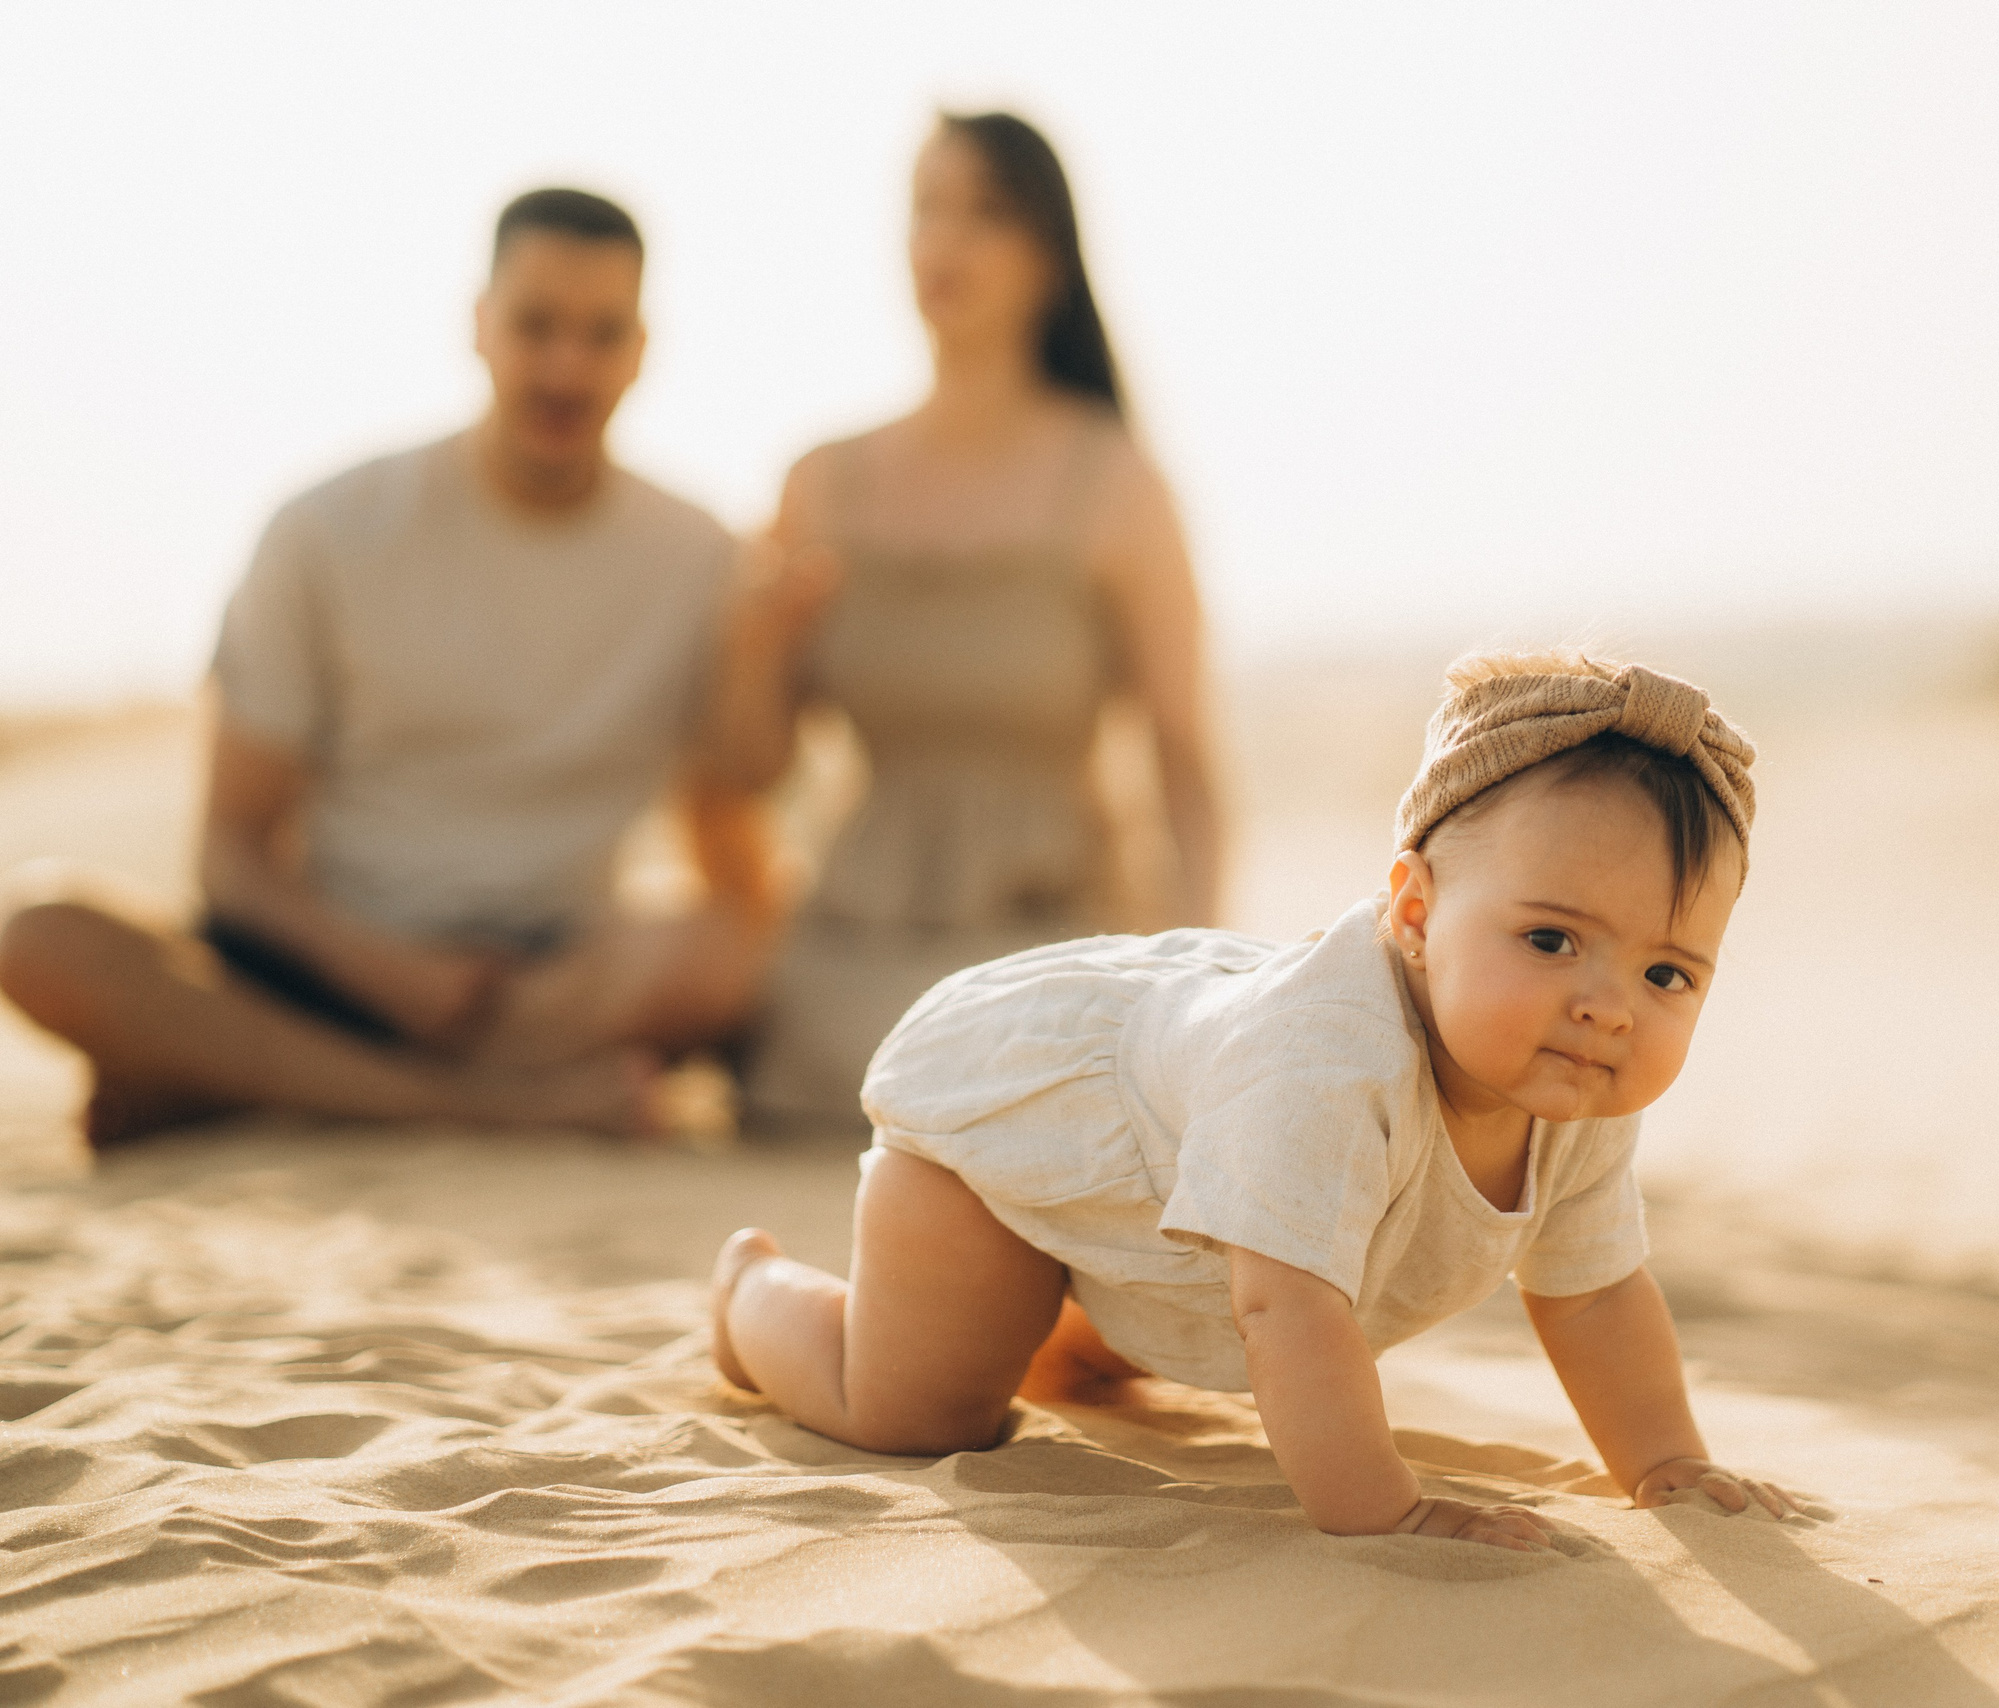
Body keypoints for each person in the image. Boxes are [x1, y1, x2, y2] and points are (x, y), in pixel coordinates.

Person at [707, 651, 1814, 1549]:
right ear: (1417, 917)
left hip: (1163, 1168)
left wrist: (1666, 1462)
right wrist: (1386, 1512)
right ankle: (751, 1297)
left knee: (1091, 1365)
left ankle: (1076, 1321)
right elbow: (1287, 1310)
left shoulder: (1572, 1079)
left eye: (1665, 972)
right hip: (1012, 1130)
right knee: (914, 1411)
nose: (1607, 1007)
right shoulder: (1327, 1068)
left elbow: (1592, 1295)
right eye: (1550, 939)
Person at [0, 189, 772, 1144]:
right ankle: (477, 1104)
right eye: (536, 326)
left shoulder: (700, 556)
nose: (567, 365)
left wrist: (770, 644)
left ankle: (251, 1080)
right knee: (37, 933)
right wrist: (388, 974)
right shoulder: (328, 529)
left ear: (642, 349)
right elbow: (232, 856)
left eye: (601, 333)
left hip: (543, 984)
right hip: (324, 961)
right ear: (480, 327)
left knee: (719, 953)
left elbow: (733, 815)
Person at [698, 111, 1221, 1134]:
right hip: (847, 949)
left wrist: (1202, 977)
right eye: (925, 210)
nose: (943, 241)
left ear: (1049, 256)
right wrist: (752, 649)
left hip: (1053, 940)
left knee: (1026, 1057)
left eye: (982, 211)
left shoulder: (1114, 484)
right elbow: (752, 766)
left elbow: (1185, 765)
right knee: (836, 1045)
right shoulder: (822, 481)